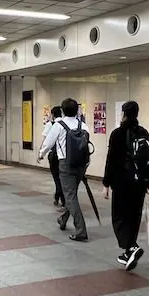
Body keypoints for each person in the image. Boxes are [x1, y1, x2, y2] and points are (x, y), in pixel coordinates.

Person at [102, 100, 149, 271]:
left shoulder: (117, 134)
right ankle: (128, 253)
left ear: (124, 113)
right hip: (139, 183)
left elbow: (111, 160)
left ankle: (132, 247)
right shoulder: (143, 132)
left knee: (118, 218)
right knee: (134, 217)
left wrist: (106, 184)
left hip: (121, 182)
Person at [38, 98, 90, 242]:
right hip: (81, 166)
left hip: (66, 165)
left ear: (62, 110)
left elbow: (48, 143)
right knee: (71, 194)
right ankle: (63, 219)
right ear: (77, 111)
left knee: (70, 197)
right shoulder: (84, 126)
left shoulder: (59, 125)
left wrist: (41, 154)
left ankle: (81, 230)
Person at [41, 106, 65, 208]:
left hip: (54, 155)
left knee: (56, 178)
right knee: (62, 178)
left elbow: (45, 141)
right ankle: (58, 196)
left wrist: (40, 153)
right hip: (64, 157)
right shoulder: (65, 125)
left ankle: (59, 196)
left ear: (53, 114)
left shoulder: (50, 125)